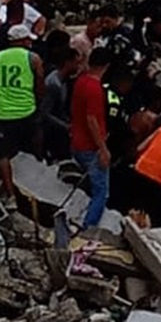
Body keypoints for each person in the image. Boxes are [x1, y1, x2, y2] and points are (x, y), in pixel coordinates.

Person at [0, 22, 44, 197]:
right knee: (33, 148)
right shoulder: (33, 58)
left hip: (2, 113)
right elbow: (40, 85)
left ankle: (10, 194)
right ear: (23, 40)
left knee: (4, 154)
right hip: (27, 111)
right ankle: (33, 189)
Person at [70, 47, 111, 229]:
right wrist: (102, 148)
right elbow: (91, 119)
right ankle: (88, 228)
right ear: (106, 66)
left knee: (87, 186)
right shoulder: (95, 88)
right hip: (90, 147)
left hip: (77, 142)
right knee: (101, 192)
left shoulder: (81, 82)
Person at [42, 44, 79, 159]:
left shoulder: (64, 81)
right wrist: (66, 126)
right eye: (76, 63)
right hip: (51, 132)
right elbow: (45, 112)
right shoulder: (53, 84)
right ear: (68, 63)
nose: (78, 66)